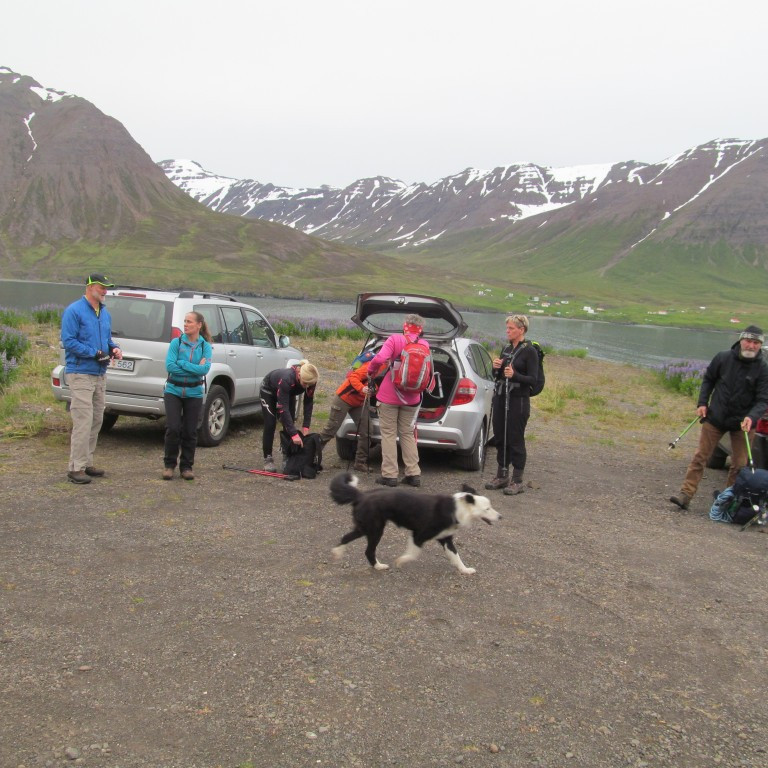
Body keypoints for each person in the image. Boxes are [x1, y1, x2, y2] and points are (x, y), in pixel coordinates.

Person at [670, 325, 768, 510]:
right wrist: (702, 403)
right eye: (748, 341)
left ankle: (726, 502)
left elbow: (763, 399)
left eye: (756, 343)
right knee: (700, 457)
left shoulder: (763, 368)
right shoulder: (723, 358)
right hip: (716, 417)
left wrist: (752, 417)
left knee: (739, 465)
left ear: (760, 345)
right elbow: (708, 380)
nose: (751, 345)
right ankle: (685, 495)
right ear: (741, 340)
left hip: (743, 423)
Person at [61, 274, 123, 484]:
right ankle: (75, 468)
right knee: (83, 420)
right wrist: (93, 353)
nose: (105, 291)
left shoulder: (104, 314)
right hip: (80, 373)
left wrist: (114, 348)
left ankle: (87, 463)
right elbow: (68, 341)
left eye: (107, 287)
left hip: (99, 374)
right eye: (102, 287)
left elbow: (107, 339)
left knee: (97, 419)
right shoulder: (74, 311)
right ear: (89, 287)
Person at [368, 314, 429, 487]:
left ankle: (389, 475)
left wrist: (371, 372)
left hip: (389, 396)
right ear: (420, 329)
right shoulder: (424, 344)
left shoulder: (395, 339)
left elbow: (379, 359)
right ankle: (413, 473)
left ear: (405, 326)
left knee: (388, 434)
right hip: (413, 398)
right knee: (407, 434)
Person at [485, 314, 539, 495]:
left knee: (515, 439)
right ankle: (502, 475)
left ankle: (517, 480)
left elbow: (533, 379)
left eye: (511, 329)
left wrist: (515, 375)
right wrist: (496, 368)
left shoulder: (529, 351)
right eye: (507, 328)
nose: (507, 331)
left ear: (521, 329)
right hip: (501, 397)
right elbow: (499, 376)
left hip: (519, 400)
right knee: (500, 437)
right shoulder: (507, 348)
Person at [162, 312, 213, 480]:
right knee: (173, 428)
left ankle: (186, 466)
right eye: (184, 321)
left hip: (194, 392)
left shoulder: (205, 346)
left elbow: (204, 370)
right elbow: (170, 366)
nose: (185, 324)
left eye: (189, 322)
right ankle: (169, 465)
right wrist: (192, 367)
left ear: (199, 325)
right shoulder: (176, 343)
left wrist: (182, 363)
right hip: (173, 390)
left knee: (190, 431)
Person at [317, 351, 374, 472]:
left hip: (360, 402)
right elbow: (352, 377)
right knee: (330, 430)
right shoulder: (371, 366)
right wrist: (362, 388)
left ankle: (360, 462)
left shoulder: (388, 371)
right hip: (344, 399)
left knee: (367, 430)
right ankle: (312, 456)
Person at [260, 360, 319, 472]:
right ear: (299, 375)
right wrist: (294, 435)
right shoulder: (287, 379)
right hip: (268, 391)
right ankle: (268, 458)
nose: (306, 386)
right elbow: (283, 408)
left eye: (309, 384)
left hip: (288, 393)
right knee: (270, 423)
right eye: (304, 383)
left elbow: (308, 402)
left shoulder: (311, 380)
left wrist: (306, 426)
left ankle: (287, 455)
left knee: (289, 423)